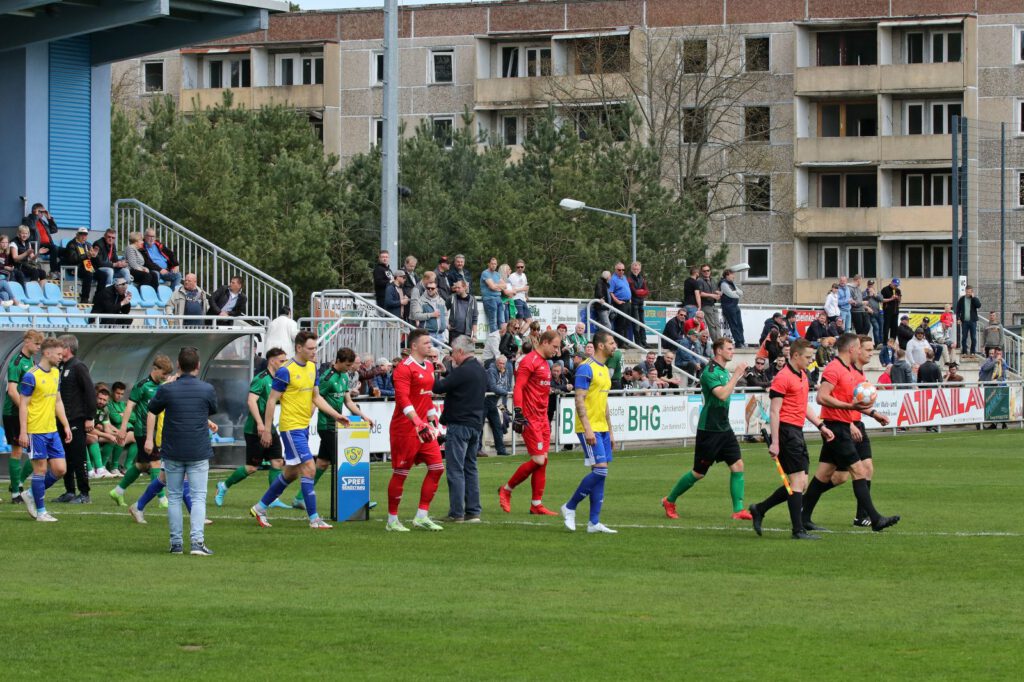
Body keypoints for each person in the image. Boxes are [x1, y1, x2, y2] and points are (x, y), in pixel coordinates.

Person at [800, 333, 899, 533]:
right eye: (863, 349)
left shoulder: (849, 371)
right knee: (859, 471)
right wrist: (849, 407)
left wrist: (873, 413)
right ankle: (873, 518)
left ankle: (800, 515)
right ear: (853, 349)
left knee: (825, 474)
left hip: (842, 425)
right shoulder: (834, 368)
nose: (866, 353)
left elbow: (853, 403)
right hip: (836, 426)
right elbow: (821, 397)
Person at [249, 331, 347, 530]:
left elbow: (316, 397)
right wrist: (267, 430)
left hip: (302, 427)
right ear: (299, 348)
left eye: (315, 348)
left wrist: (336, 415)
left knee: (291, 473)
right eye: (310, 348)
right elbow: (271, 400)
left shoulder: (312, 367)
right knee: (309, 469)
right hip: (290, 427)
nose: (314, 352)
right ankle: (314, 519)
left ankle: (259, 508)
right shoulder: (286, 370)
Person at [748, 338, 835, 540]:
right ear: (795, 356)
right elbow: (775, 411)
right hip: (787, 432)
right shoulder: (782, 377)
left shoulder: (803, 375)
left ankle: (760, 509)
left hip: (797, 431)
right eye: (807, 357)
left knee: (801, 483)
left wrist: (821, 426)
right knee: (796, 482)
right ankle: (798, 530)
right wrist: (776, 442)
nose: (810, 360)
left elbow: (803, 406)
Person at [661, 338, 752, 521]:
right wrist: (737, 375)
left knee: (738, 465)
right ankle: (669, 500)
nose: (732, 352)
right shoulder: (709, 372)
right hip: (709, 430)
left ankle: (738, 510)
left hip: (724, 428)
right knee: (699, 473)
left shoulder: (722, 371)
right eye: (729, 349)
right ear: (718, 351)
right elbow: (721, 395)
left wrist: (734, 376)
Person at [137, 348, 217, 555]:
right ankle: (197, 543)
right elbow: (211, 409)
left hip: (172, 449)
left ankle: (176, 544)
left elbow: (152, 409)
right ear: (198, 366)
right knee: (198, 497)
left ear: (178, 366)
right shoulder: (207, 389)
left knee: (173, 497)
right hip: (198, 449)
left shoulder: (166, 389)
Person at [382, 329, 446, 532]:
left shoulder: (428, 366)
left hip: (422, 428)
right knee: (401, 473)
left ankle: (421, 516)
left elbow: (425, 397)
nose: (430, 346)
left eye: (430, 342)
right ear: (414, 346)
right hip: (405, 428)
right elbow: (403, 399)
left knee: (437, 468)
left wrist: (432, 422)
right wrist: (417, 422)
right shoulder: (403, 368)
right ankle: (392, 520)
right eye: (426, 343)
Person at [297, 347, 376, 510]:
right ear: (338, 361)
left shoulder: (344, 376)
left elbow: (348, 401)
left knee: (322, 463)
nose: (350, 368)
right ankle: (358, 500)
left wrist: (364, 416)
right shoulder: (327, 378)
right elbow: (315, 399)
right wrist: (307, 417)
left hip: (337, 425)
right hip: (327, 426)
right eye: (347, 365)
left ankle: (299, 498)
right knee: (343, 462)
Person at [214, 348, 290, 508]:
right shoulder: (261, 379)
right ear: (272, 361)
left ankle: (273, 498)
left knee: (277, 461)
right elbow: (251, 401)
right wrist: (260, 424)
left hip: (270, 427)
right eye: (281, 361)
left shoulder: (278, 380)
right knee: (252, 467)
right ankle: (224, 486)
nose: (284, 364)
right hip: (255, 429)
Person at [499, 330, 561, 517]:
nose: (557, 351)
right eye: (555, 346)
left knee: (543, 461)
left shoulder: (544, 363)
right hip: (530, 418)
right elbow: (518, 387)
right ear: (544, 342)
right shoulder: (529, 361)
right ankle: (507, 489)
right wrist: (518, 412)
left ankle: (536, 504)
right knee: (538, 460)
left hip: (542, 418)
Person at [561, 330, 618, 534]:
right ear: (601, 345)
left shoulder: (604, 370)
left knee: (600, 474)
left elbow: (604, 404)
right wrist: (587, 429)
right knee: (600, 470)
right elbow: (579, 400)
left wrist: (611, 431)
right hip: (589, 428)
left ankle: (594, 522)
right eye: (611, 343)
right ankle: (569, 506)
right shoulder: (586, 368)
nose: (615, 346)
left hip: (602, 428)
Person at [17, 338, 73, 522]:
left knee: (60, 469)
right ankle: (41, 512)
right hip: (36, 430)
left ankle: (31, 494)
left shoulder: (56, 372)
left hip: (52, 430)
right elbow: (23, 405)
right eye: (58, 354)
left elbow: (57, 401)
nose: (61, 357)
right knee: (40, 470)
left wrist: (65, 425)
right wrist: (24, 432)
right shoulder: (30, 376)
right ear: (47, 353)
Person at [432, 336, 486, 523]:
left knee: (455, 469)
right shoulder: (479, 368)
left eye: (453, 352)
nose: (451, 355)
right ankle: (473, 511)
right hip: (475, 425)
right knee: (470, 468)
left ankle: (456, 513)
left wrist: (435, 372)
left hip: (460, 424)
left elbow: (438, 387)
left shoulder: (463, 371)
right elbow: (460, 386)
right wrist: (447, 373)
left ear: (461, 352)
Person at [110, 355, 173, 507]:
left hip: (156, 431)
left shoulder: (163, 385)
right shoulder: (142, 386)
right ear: (155, 369)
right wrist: (123, 428)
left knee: (142, 465)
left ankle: (117, 491)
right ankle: (162, 499)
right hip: (143, 430)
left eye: (167, 374)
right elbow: (129, 407)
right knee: (156, 463)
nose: (165, 377)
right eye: (163, 373)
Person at [54, 335, 96, 505]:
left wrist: (89, 417)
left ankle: (84, 493)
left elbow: (90, 392)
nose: (57, 350)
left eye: (60, 347)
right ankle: (70, 491)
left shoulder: (78, 366)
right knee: (66, 458)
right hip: (64, 421)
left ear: (67, 348)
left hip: (77, 420)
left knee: (79, 457)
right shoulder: (62, 367)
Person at [4, 330, 43, 505]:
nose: (39, 347)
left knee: (38, 451)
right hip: (13, 412)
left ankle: (17, 483)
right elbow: (12, 391)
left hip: (27, 412)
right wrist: (24, 409)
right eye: (37, 344)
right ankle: (15, 494)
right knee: (18, 451)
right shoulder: (16, 363)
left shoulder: (31, 362)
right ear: (27, 342)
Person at [484, 354, 512, 457]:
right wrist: (504, 392)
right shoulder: (491, 371)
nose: (501, 365)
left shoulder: (506, 372)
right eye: (500, 363)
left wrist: (503, 405)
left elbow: (506, 387)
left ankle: (501, 450)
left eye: (503, 363)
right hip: (484, 401)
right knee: (478, 427)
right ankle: (476, 450)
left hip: (494, 403)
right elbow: (493, 387)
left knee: (498, 426)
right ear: (496, 363)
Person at [63, 228, 101, 303]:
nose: (84, 237)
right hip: (76, 268)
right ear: (77, 235)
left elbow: (98, 264)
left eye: (85, 235)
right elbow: (73, 259)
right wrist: (87, 255)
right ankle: (84, 298)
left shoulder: (88, 245)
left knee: (103, 275)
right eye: (81, 235)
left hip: (88, 267)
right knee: (88, 274)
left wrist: (95, 256)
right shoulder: (71, 244)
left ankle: (98, 297)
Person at [410, 273, 448, 346]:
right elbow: (415, 315)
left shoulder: (441, 300)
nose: (430, 290)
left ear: (436, 289)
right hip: (428, 335)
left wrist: (446, 325)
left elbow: (445, 314)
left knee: (438, 356)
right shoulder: (421, 300)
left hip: (440, 335)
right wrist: (431, 315)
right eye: (428, 288)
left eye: (432, 288)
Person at [22, 202, 59, 274]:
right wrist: (35, 215)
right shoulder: (27, 219)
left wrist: (49, 219)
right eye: (40, 212)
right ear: (35, 211)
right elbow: (32, 227)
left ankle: (61, 270)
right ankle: (54, 271)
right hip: (38, 245)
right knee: (54, 248)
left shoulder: (43, 222)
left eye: (43, 212)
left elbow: (54, 230)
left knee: (67, 251)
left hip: (48, 245)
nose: (42, 214)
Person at [717, 269, 743, 346]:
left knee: (739, 325)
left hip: (735, 306)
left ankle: (742, 341)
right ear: (727, 275)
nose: (734, 276)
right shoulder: (723, 284)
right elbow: (731, 295)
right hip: (729, 306)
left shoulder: (731, 283)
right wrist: (736, 292)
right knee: (734, 325)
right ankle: (738, 342)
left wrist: (735, 292)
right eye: (732, 274)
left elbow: (741, 293)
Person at [607, 262, 632, 341]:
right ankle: (620, 342)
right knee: (621, 323)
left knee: (626, 323)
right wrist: (617, 301)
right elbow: (610, 292)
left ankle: (625, 341)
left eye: (623, 269)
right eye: (619, 270)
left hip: (627, 303)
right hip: (620, 303)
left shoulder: (624, 277)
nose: (621, 271)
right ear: (615, 270)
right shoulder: (613, 279)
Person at [627, 261, 650, 347]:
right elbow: (634, 292)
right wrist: (641, 291)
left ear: (640, 269)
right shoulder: (629, 278)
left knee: (642, 323)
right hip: (634, 303)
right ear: (631, 269)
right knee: (636, 324)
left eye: (637, 269)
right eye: (634, 268)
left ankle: (644, 341)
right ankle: (638, 342)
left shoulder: (642, 278)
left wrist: (641, 291)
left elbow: (647, 291)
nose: (636, 270)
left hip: (641, 303)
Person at [955, 285, 982, 357]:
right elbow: (957, 310)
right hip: (964, 321)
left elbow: (978, 305)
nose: (968, 293)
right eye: (967, 292)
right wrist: (958, 318)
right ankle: (964, 351)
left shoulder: (974, 299)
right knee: (964, 337)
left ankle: (972, 351)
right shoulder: (961, 299)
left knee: (973, 337)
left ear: (972, 292)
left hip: (973, 321)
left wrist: (974, 297)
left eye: (970, 292)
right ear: (965, 291)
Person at [696, 263, 721, 340]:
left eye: (708, 270)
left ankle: (719, 342)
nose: (706, 272)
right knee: (712, 325)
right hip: (705, 305)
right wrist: (712, 295)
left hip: (713, 304)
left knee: (717, 325)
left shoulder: (713, 280)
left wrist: (718, 293)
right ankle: (717, 343)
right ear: (701, 272)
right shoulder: (699, 280)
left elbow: (716, 290)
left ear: (710, 271)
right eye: (704, 271)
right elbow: (700, 293)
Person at [480, 257, 505, 334]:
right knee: (493, 321)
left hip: (498, 298)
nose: (494, 265)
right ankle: (494, 341)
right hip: (489, 299)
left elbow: (505, 286)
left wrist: (496, 286)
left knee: (502, 321)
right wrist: (498, 286)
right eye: (492, 264)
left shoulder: (497, 274)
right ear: (489, 264)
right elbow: (492, 287)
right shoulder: (485, 273)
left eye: (495, 264)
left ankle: (501, 342)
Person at [880, 277, 902, 342]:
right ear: (891, 283)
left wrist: (898, 298)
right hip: (887, 311)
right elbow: (881, 300)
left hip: (895, 311)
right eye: (895, 285)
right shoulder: (885, 289)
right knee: (886, 327)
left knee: (894, 328)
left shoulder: (898, 290)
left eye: (897, 285)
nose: (896, 286)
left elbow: (900, 301)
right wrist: (891, 298)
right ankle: (885, 342)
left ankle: (893, 341)